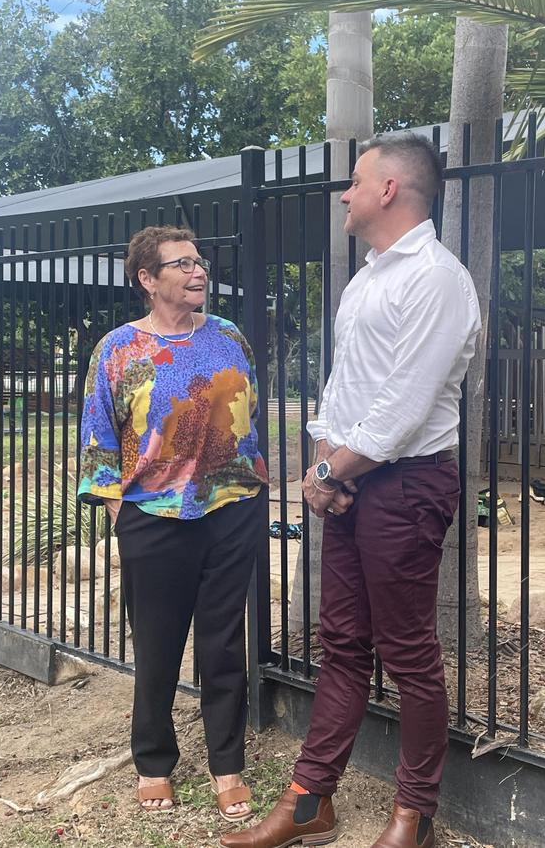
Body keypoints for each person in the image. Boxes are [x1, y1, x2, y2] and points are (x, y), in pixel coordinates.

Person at [220, 133, 481, 848]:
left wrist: (331, 472)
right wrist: (323, 467)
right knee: (341, 644)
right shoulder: (368, 277)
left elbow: (405, 404)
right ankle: (311, 800)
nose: (344, 192)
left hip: (405, 483)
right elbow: (348, 385)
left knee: (407, 652)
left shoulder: (436, 276)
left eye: (355, 180)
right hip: (352, 478)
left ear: (390, 190)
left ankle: (414, 814)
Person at [78, 225, 268, 818]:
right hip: (151, 518)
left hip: (229, 510)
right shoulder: (118, 350)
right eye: (181, 264)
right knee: (158, 646)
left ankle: (227, 765)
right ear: (147, 279)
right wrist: (123, 511)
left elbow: (251, 413)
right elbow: (99, 439)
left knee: (222, 642)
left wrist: (248, 485)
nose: (197, 272)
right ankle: (154, 760)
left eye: (199, 262)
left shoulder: (229, 336)